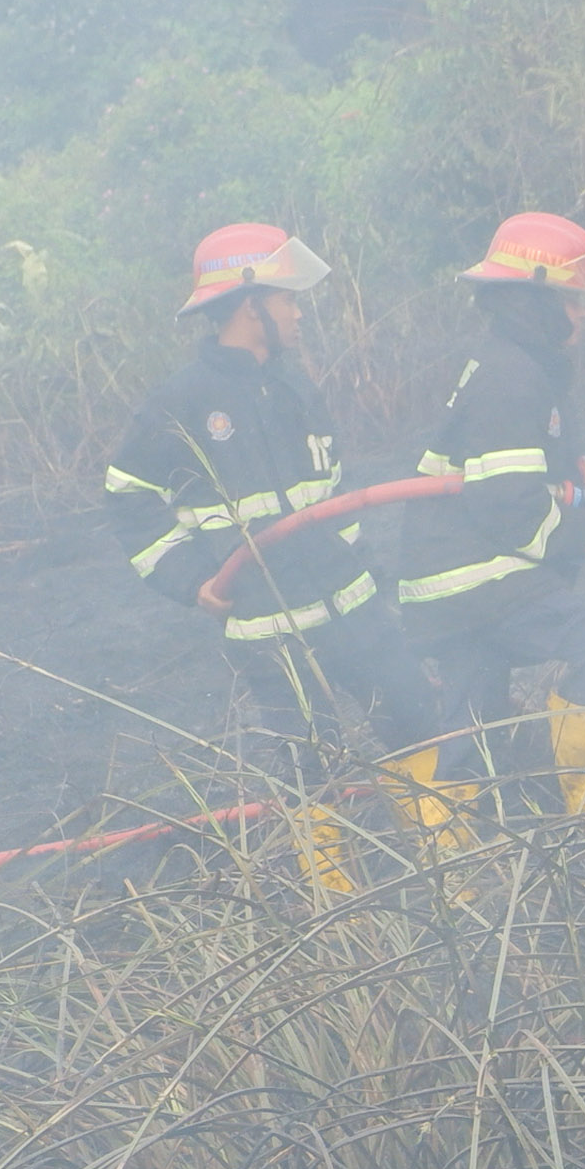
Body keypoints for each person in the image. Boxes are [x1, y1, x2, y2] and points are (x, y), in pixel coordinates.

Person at [100, 222, 455, 889]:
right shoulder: (182, 402)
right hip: (269, 632)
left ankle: (452, 866)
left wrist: (361, 582)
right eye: (286, 299)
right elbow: (127, 496)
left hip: (350, 610)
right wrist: (191, 579)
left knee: (413, 715)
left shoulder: (295, 387)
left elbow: (333, 493)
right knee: (308, 764)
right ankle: (338, 908)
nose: (297, 312)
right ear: (247, 303)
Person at [394, 213, 585, 826]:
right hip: (477, 576)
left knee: (473, 718)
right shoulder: (512, 378)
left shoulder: (510, 365)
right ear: (535, 300)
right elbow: (507, 504)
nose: (582, 313)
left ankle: (450, 852)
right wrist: (580, 533)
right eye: (572, 300)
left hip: (445, 582)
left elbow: (533, 483)